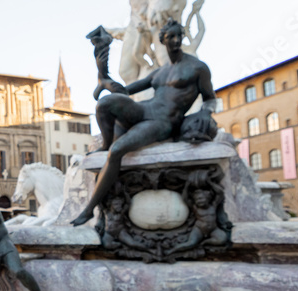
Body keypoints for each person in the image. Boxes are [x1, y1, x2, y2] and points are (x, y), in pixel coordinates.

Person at [71, 19, 217, 226]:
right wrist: (103, 74)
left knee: (118, 150)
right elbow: (125, 91)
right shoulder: (159, 72)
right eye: (170, 37)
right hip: (146, 109)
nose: (176, 41)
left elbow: (210, 98)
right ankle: (104, 145)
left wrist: (206, 112)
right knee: (105, 103)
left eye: (179, 36)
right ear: (163, 40)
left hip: (164, 121)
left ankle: (88, 210)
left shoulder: (197, 68)